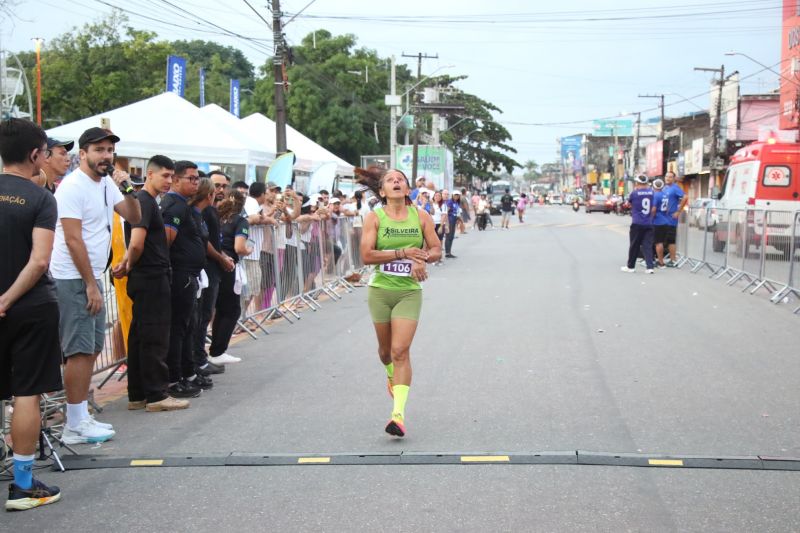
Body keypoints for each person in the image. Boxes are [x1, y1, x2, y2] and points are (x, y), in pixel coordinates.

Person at [51, 127, 141, 444]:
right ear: (83, 153)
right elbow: (72, 239)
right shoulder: (72, 187)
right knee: (78, 351)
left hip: (89, 276)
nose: (106, 156)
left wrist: (127, 186)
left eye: (109, 150)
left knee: (90, 349)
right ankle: (73, 423)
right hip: (72, 277)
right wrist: (90, 284)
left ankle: (80, 416)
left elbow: (134, 215)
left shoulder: (106, 184)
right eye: (99, 150)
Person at [0, 118, 63, 511]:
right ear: (35, 154)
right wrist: (6, 298)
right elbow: (39, 261)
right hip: (29, 307)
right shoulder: (41, 199)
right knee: (26, 392)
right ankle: (22, 483)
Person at [358, 167, 442, 438]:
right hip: (381, 291)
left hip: (408, 292)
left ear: (408, 189)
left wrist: (423, 259)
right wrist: (402, 252)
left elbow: (436, 249)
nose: (396, 182)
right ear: (382, 191)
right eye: (390, 180)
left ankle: (398, 415)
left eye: (401, 180)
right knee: (385, 353)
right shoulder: (375, 217)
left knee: (400, 350)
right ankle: (391, 374)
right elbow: (367, 256)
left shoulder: (421, 216)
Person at [113, 155, 189, 412]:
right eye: (165, 176)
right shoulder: (144, 201)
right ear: (150, 175)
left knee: (139, 336)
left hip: (147, 276)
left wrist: (127, 263)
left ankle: (138, 393)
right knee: (154, 337)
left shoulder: (145, 202)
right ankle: (156, 395)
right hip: (151, 276)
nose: (169, 181)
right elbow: (136, 241)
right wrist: (129, 263)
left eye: (171, 176)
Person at [159, 161, 209, 397]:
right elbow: (166, 242)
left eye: (197, 178)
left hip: (189, 275)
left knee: (187, 327)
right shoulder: (174, 206)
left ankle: (186, 373)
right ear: (176, 180)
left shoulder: (183, 205)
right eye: (191, 178)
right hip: (180, 276)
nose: (195, 182)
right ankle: (174, 379)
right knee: (179, 329)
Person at [194, 171, 236, 370]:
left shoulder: (211, 210)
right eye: (216, 186)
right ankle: (199, 361)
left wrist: (222, 255)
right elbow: (205, 242)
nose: (220, 190)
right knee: (202, 316)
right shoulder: (206, 211)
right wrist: (221, 257)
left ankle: (200, 358)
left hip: (211, 269)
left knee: (205, 315)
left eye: (223, 186)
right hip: (205, 269)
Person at [210, 191, 252, 363]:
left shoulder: (216, 216)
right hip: (228, 265)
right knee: (231, 309)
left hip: (213, 263)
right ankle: (218, 351)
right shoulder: (240, 221)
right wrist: (249, 250)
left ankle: (215, 351)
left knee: (219, 308)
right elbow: (239, 247)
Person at [621, 175, 656, 274]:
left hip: (637, 223)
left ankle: (630, 266)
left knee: (634, 245)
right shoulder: (651, 193)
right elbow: (653, 207)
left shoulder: (634, 193)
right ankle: (650, 267)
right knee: (647, 245)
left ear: (637, 183)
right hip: (649, 223)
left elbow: (628, 204)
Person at [660, 171, 688, 267]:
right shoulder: (664, 188)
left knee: (671, 240)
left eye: (670, 177)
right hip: (663, 218)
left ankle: (673, 260)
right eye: (666, 176)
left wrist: (678, 211)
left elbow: (685, 197)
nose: (668, 178)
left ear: (674, 178)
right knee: (663, 239)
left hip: (671, 219)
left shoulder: (675, 188)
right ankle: (662, 259)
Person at [651, 179, 670, 268]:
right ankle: (658, 260)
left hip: (657, 221)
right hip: (664, 220)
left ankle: (661, 262)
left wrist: (652, 216)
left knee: (658, 242)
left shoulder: (656, 195)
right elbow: (667, 209)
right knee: (660, 242)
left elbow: (654, 209)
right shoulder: (665, 195)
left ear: (654, 186)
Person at [444, 190, 462, 258]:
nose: (456, 196)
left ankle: (449, 252)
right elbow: (446, 211)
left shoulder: (456, 202)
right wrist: (446, 222)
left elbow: (457, 211)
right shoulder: (450, 202)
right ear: (452, 195)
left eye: (457, 195)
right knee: (449, 236)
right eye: (455, 195)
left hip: (454, 219)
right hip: (450, 220)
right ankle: (447, 253)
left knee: (451, 237)